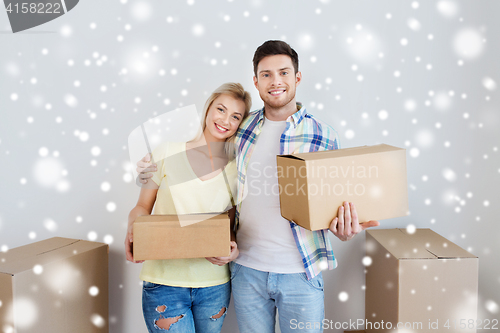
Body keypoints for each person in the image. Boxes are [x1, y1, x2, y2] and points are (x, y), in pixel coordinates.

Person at [138, 41, 380, 333]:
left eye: (283, 73)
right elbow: (211, 178)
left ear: (297, 78)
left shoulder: (323, 135)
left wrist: (343, 228)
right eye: (266, 74)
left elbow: (334, 203)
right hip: (246, 271)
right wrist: (147, 169)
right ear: (256, 81)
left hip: (300, 271)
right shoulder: (241, 129)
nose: (275, 81)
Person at [126, 82, 252, 333]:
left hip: (214, 286)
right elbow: (141, 207)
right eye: (221, 109)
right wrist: (133, 231)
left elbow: (228, 226)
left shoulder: (237, 170)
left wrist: (232, 250)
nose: (225, 120)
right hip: (164, 283)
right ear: (208, 110)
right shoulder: (165, 154)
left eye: (235, 116)